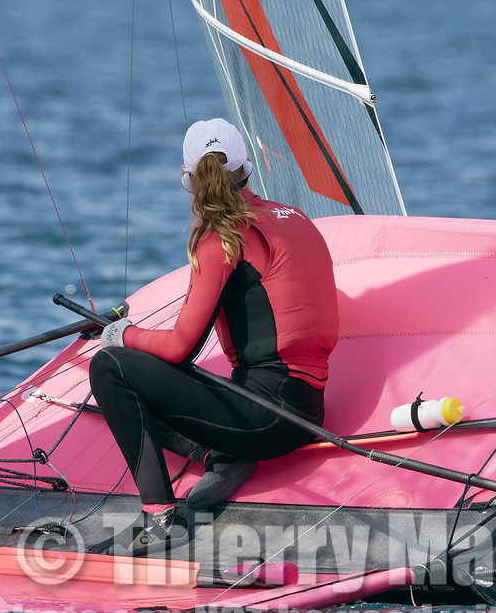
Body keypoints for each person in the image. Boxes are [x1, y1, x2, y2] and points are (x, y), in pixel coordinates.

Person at [88, 118, 339, 555]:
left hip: (265, 417)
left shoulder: (219, 239)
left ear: (188, 180)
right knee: (154, 375)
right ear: (247, 167)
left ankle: (161, 519)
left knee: (110, 369)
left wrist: (121, 335)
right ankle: (223, 457)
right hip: (309, 411)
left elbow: (179, 348)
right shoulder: (297, 217)